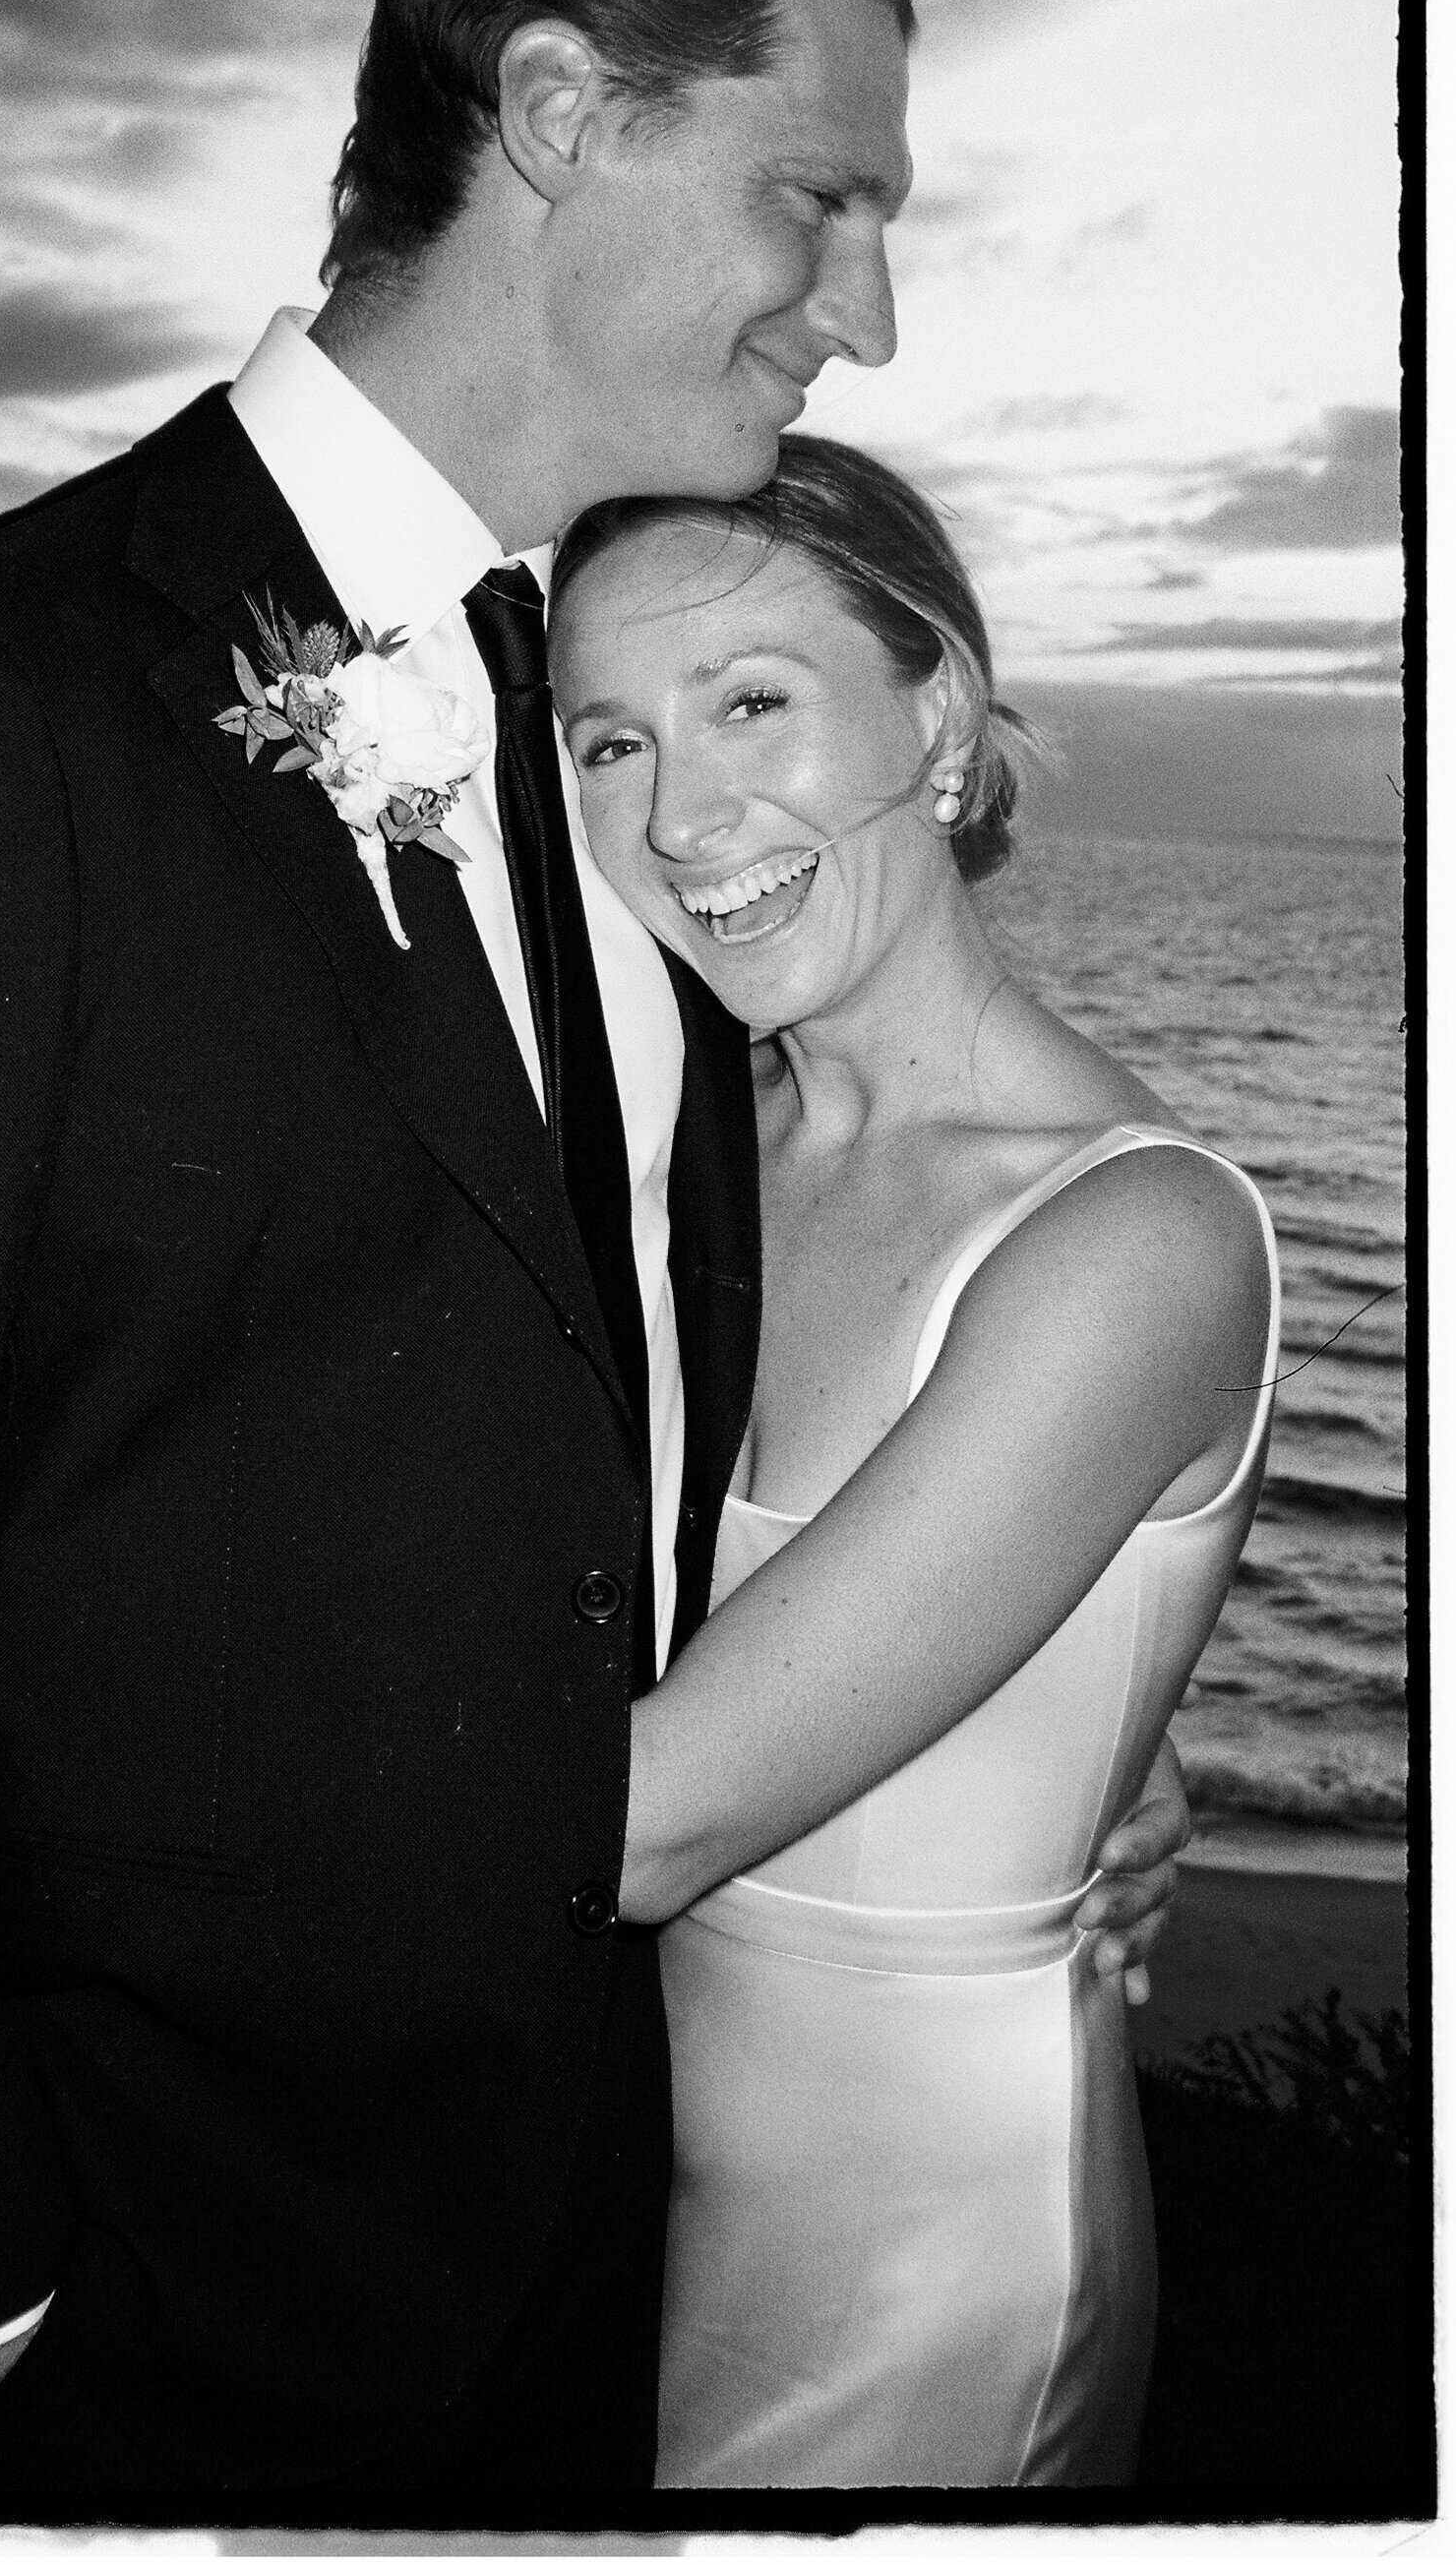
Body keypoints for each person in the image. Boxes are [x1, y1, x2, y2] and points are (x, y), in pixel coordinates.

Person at [0, 0, 1186, 2520]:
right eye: (819, 196)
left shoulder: (629, 763)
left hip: (602, 2273)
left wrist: (1033, 1758)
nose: (869, 310)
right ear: (558, 111)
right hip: (157, 2312)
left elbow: (633, 1420)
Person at [543, 436, 1278, 2488]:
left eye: (750, 701)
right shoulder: (679, 1175)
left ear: (936, 713)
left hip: (920, 2277)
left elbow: (640, 1825)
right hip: (606, 2197)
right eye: (606, 744)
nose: (681, 816)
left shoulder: (1128, 1238)